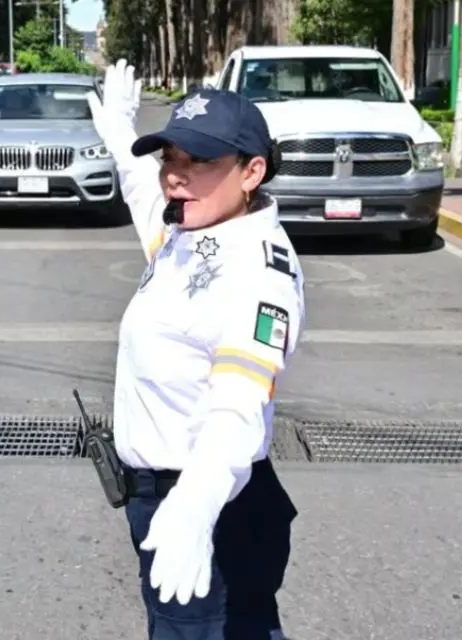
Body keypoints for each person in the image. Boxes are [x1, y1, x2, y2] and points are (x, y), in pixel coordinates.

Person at [84, 60, 305, 640]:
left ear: (252, 171)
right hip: (164, 499)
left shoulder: (257, 274)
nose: (175, 178)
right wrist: (117, 134)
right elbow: (143, 199)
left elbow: (240, 400)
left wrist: (197, 504)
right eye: (171, 159)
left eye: (201, 161)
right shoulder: (194, 233)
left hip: (213, 504)